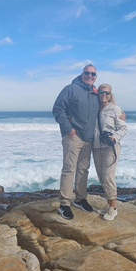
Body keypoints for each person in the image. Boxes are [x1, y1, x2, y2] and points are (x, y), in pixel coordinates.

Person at [52, 64, 99, 219]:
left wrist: (120, 115)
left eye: (93, 74)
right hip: (73, 136)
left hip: (89, 138)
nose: (90, 76)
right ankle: (64, 203)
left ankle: (80, 199)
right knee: (69, 169)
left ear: (96, 76)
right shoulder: (71, 89)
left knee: (83, 169)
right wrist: (68, 128)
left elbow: (103, 110)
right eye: (87, 73)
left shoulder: (95, 92)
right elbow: (58, 109)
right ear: (82, 74)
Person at [93, 84, 127, 221]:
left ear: (110, 94)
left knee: (108, 176)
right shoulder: (93, 108)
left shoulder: (115, 109)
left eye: (106, 92)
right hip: (96, 147)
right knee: (102, 177)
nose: (103, 94)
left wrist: (114, 137)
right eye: (101, 92)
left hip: (110, 148)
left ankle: (113, 208)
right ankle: (108, 204)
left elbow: (123, 128)